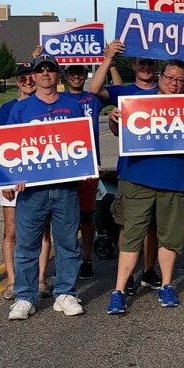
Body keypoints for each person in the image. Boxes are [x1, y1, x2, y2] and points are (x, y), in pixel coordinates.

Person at [105, 60, 184, 315]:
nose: (174, 83)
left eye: (180, 80)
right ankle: (119, 290)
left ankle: (167, 285)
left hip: (177, 179)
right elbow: (118, 132)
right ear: (160, 77)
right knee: (133, 234)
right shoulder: (137, 100)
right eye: (170, 78)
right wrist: (114, 119)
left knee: (170, 236)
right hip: (138, 177)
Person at [4, 55, 86, 320]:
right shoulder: (21, 109)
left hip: (65, 188)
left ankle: (65, 293)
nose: (46, 74)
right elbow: (7, 145)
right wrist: (10, 178)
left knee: (68, 244)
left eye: (51, 69)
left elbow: (82, 139)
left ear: (57, 74)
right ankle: (24, 297)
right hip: (32, 190)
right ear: (34, 75)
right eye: (41, 70)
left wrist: (85, 166)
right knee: (27, 246)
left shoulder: (72, 105)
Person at [89, 41, 163, 293]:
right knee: (127, 225)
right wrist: (109, 57)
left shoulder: (166, 92)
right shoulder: (124, 92)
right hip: (131, 168)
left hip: (159, 168)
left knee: (152, 226)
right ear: (133, 65)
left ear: (156, 66)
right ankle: (127, 274)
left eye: (150, 63)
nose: (146, 67)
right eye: (141, 63)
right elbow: (95, 89)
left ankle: (149, 270)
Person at [0, 61, 51, 301]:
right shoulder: (7, 109)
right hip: (13, 177)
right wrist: (4, 181)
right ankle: (12, 280)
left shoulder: (47, 105)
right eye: (22, 78)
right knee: (12, 230)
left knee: (43, 231)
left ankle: (40, 279)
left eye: (30, 76)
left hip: (40, 177)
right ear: (17, 81)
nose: (27, 81)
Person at [63, 64, 118, 281]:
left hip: (89, 165)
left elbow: (119, 93)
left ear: (86, 75)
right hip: (64, 166)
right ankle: (68, 262)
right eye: (72, 72)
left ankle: (86, 259)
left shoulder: (92, 99)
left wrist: (111, 65)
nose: (76, 76)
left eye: (80, 72)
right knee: (65, 217)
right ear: (66, 75)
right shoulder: (59, 99)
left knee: (87, 215)